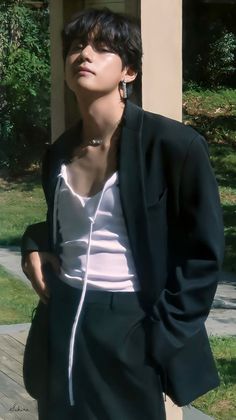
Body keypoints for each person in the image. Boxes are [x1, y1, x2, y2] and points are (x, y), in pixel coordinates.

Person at [21, 7, 224, 420]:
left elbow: (204, 255)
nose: (85, 54)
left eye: (101, 47)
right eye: (77, 46)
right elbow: (63, 226)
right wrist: (34, 243)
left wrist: (159, 337)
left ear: (128, 71)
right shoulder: (58, 153)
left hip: (131, 327)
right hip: (61, 321)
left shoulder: (174, 147)